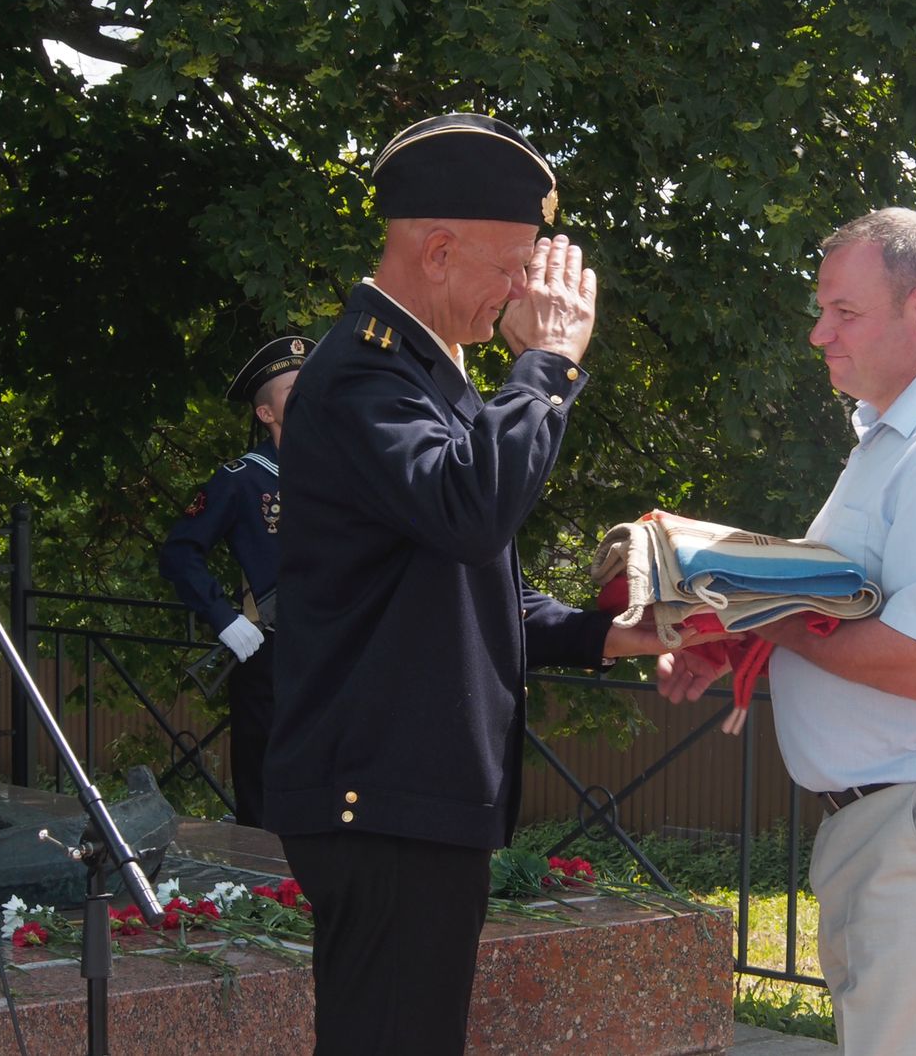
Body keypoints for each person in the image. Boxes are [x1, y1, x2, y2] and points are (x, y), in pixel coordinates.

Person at [262, 114, 679, 1055]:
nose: (529, 292)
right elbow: (471, 509)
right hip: (382, 801)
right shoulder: (365, 375)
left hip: (411, 796)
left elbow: (458, 588)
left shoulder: (421, 369)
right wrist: (548, 368)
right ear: (440, 250)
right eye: (516, 265)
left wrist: (609, 634)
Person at [658, 208, 916, 1055]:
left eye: (844, 312)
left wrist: (755, 606)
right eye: (822, 309)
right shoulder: (898, 437)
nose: (818, 335)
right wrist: (739, 642)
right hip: (905, 821)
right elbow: (853, 608)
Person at [159, 334, 309, 827]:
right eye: (292, 388)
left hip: (344, 648)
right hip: (271, 650)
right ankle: (266, 893)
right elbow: (181, 552)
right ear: (265, 414)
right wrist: (223, 617)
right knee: (265, 787)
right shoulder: (243, 479)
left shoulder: (349, 469)